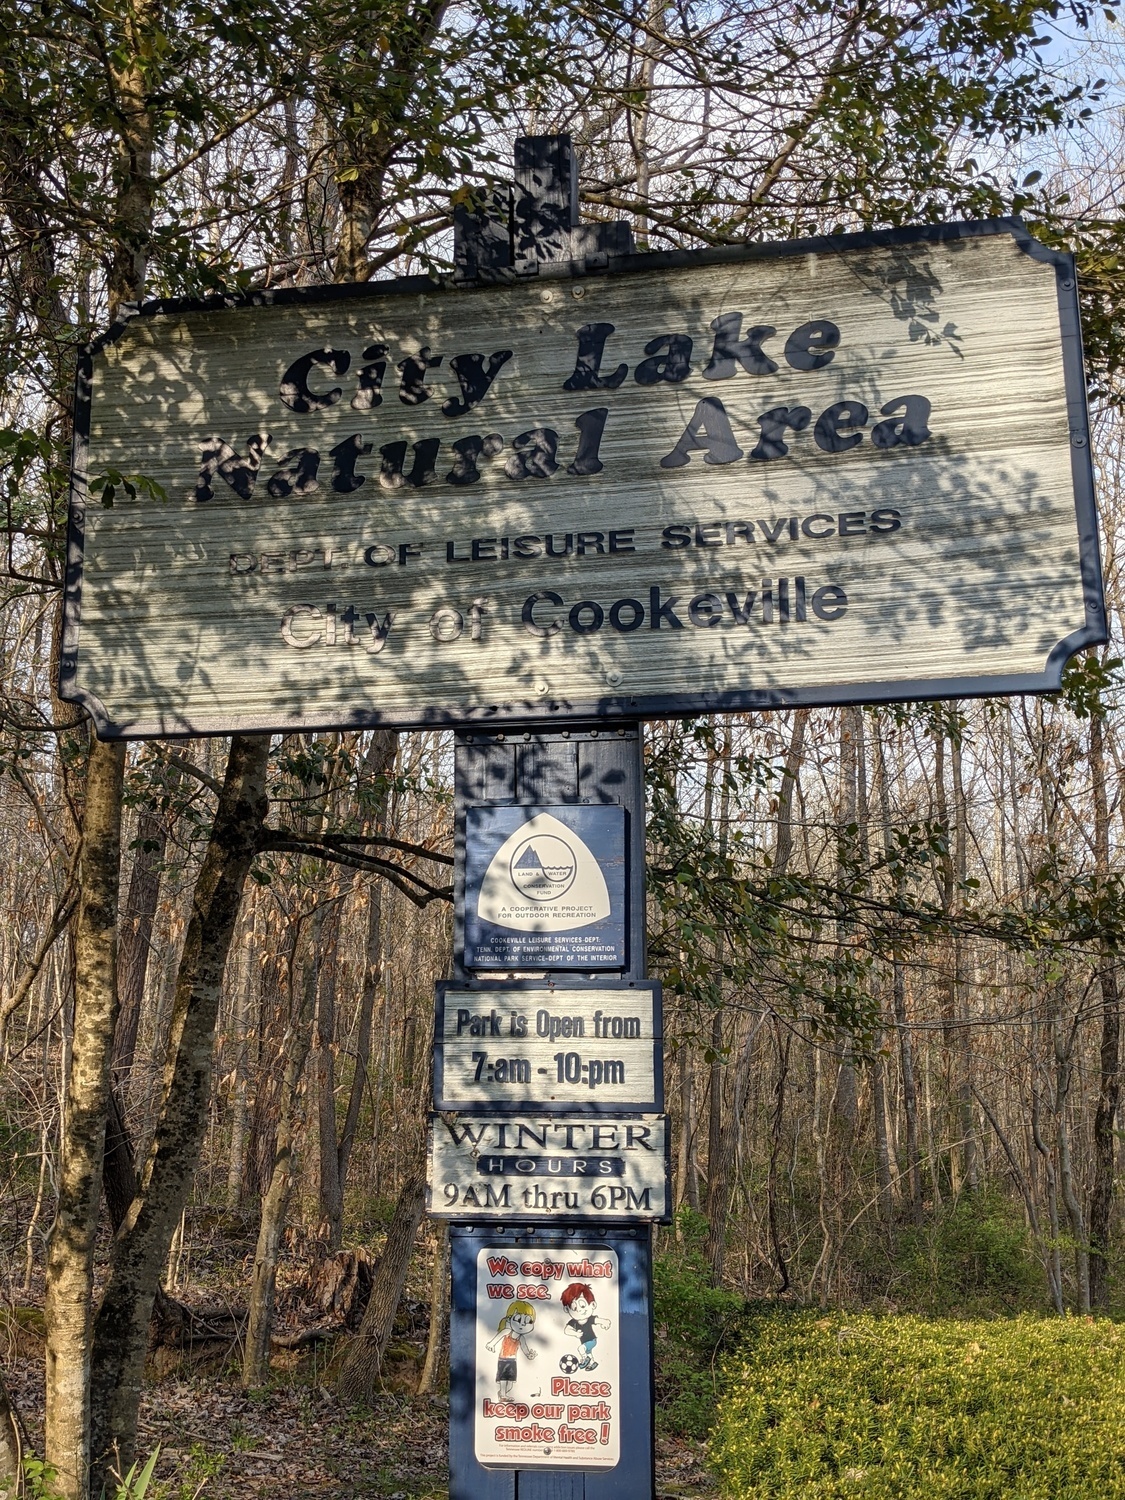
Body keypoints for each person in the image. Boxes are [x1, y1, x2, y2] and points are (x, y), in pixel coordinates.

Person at [485, 1300, 538, 1395]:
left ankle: (502, 1394)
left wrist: (529, 1355)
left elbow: (524, 1348)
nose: (522, 1324)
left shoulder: (521, 1338)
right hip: (503, 1359)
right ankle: (503, 1395)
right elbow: (498, 1337)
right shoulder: (507, 1332)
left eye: (528, 1321)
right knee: (503, 1379)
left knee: (511, 1383)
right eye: (518, 1319)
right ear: (509, 1319)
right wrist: (491, 1344)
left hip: (513, 1361)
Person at [560, 1282, 611, 1371]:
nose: (579, 1310)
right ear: (567, 1309)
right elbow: (566, 1330)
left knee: (581, 1349)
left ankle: (585, 1360)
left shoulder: (590, 1319)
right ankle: (592, 1363)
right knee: (588, 1352)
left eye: (583, 1306)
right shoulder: (573, 1322)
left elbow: (597, 1320)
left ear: (593, 1305)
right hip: (584, 1342)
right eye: (574, 1308)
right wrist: (575, 1333)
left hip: (591, 1340)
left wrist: (605, 1322)